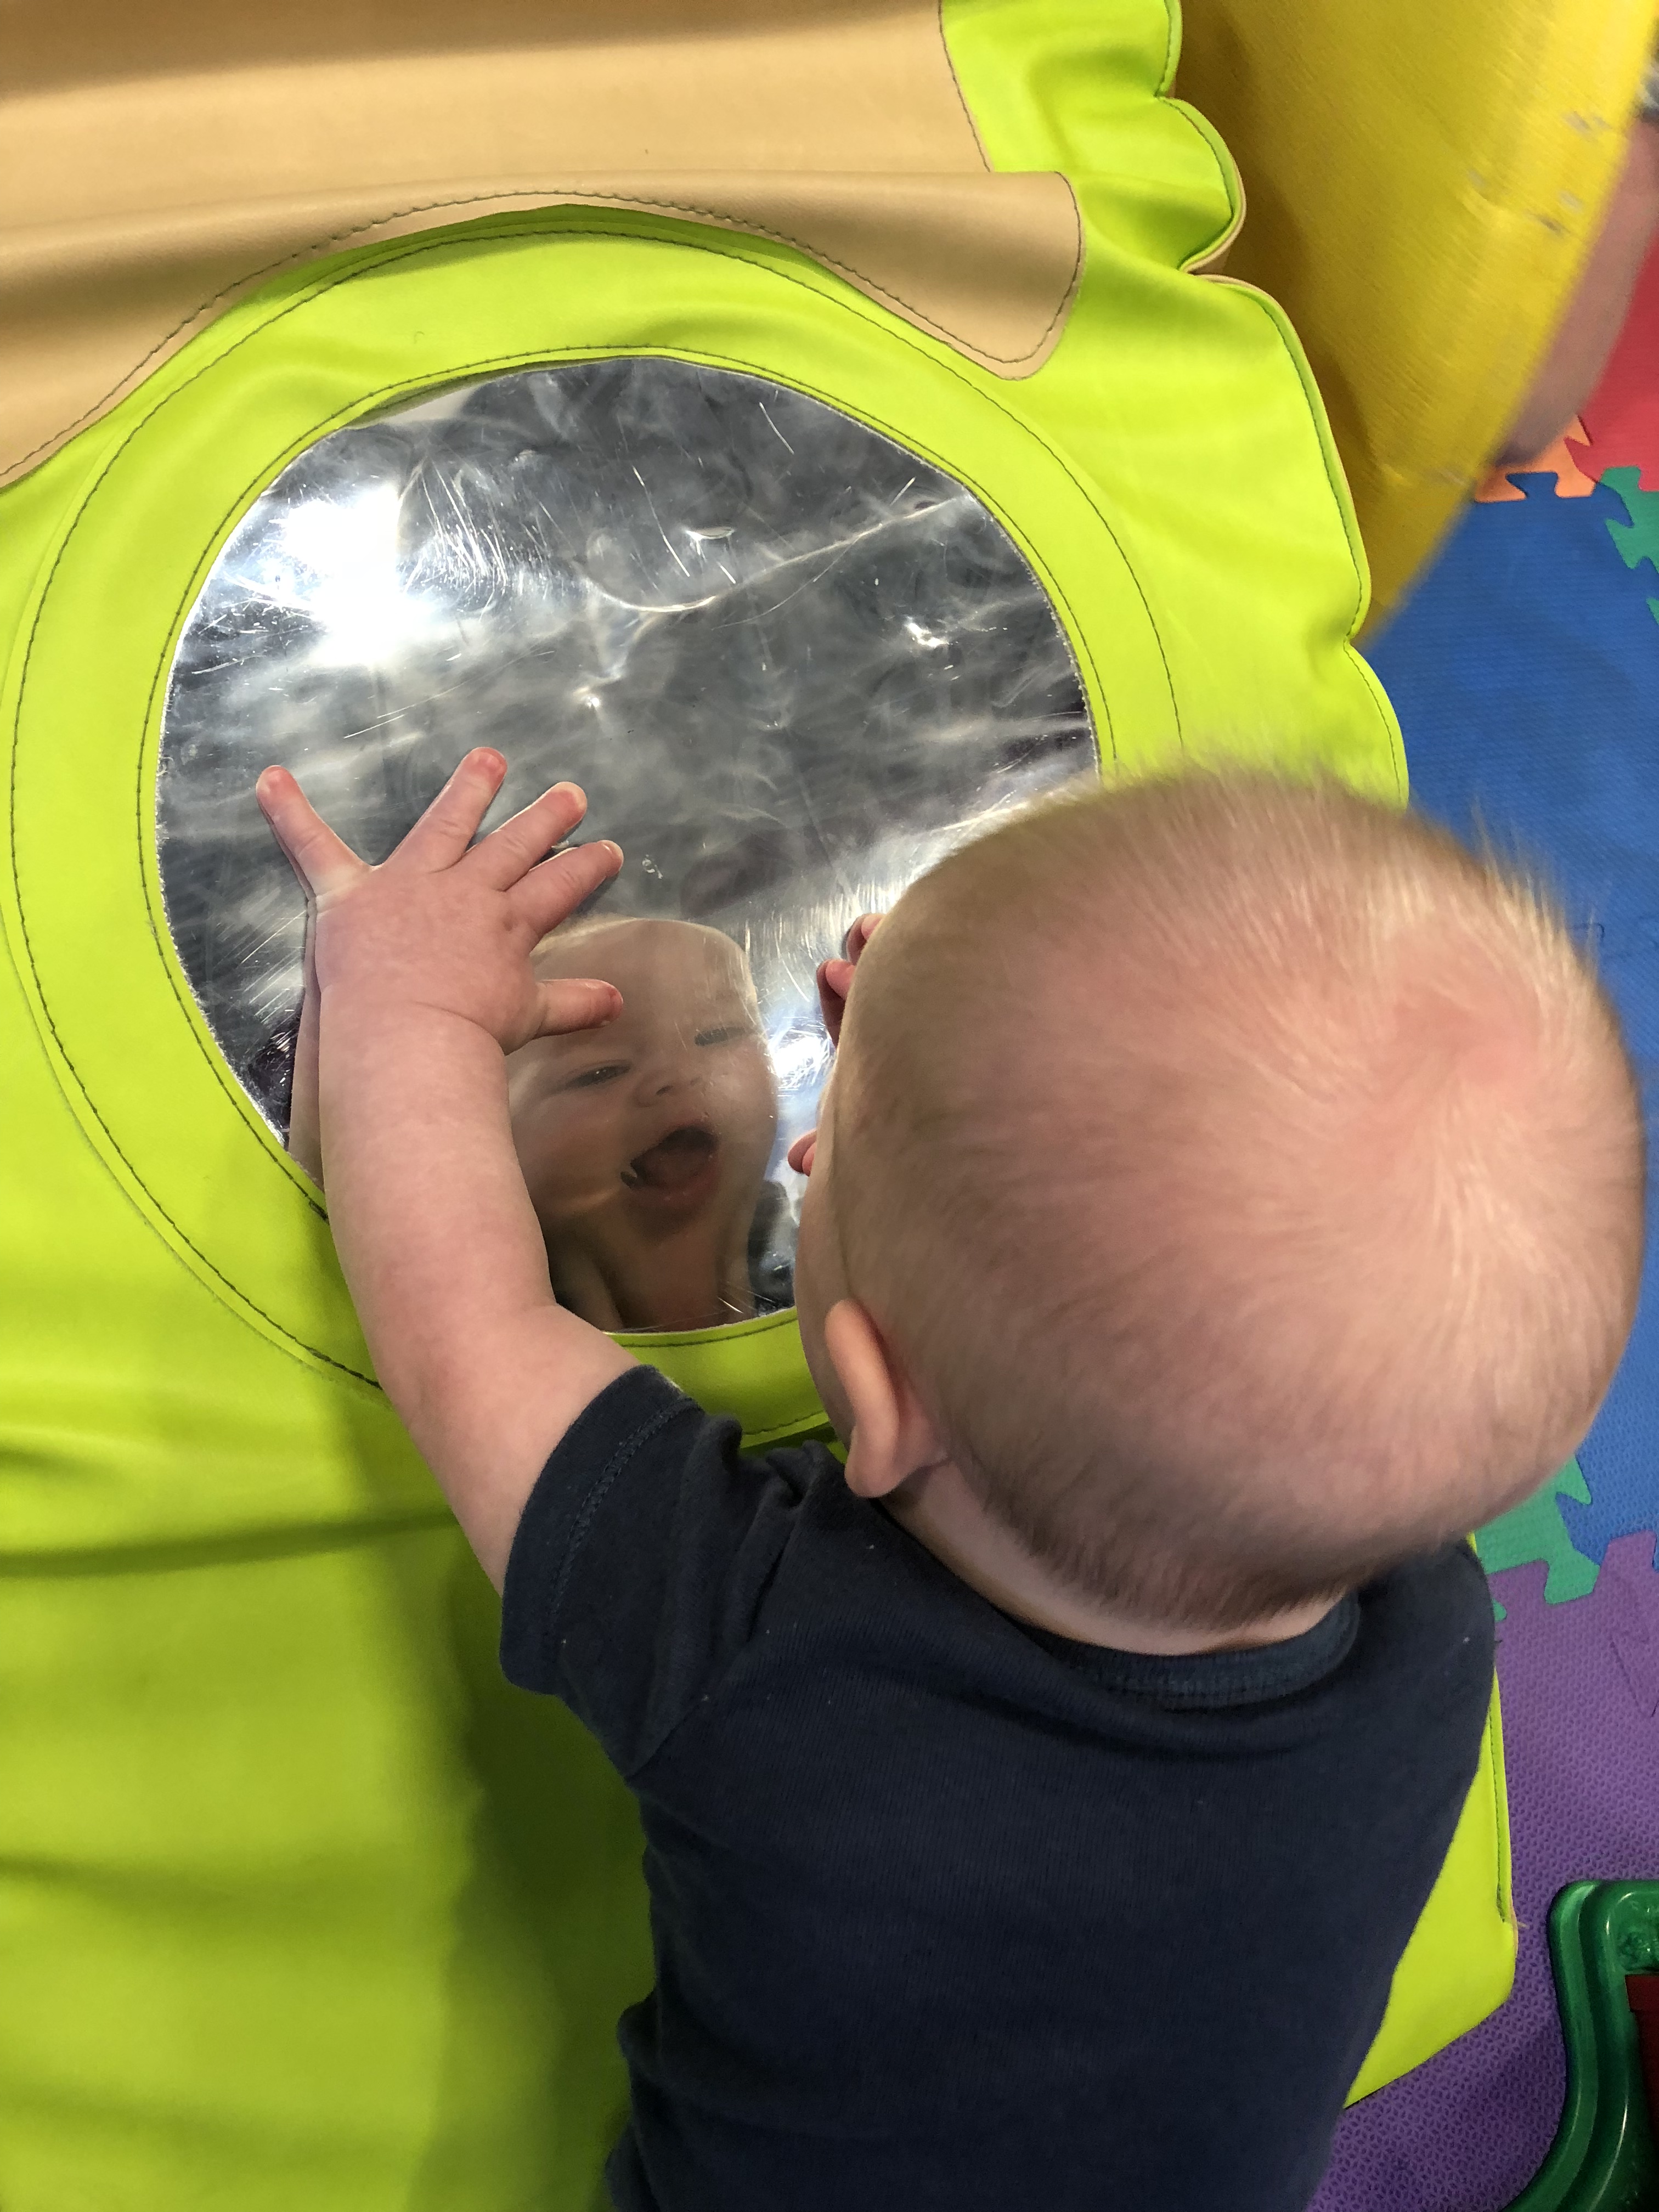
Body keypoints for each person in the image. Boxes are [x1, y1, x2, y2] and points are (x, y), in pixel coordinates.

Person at [255, 751, 1644, 2212]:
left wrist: (408, 1007)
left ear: (871, 1400)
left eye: (829, 1154)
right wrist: (940, 1079)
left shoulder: (760, 1657)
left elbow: (463, 1324)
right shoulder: (1431, 1623)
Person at [507, 917, 780, 1333]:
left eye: (719, 1034)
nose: (677, 1074)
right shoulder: (487, 1336)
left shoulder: (845, 1256)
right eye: (600, 1073)